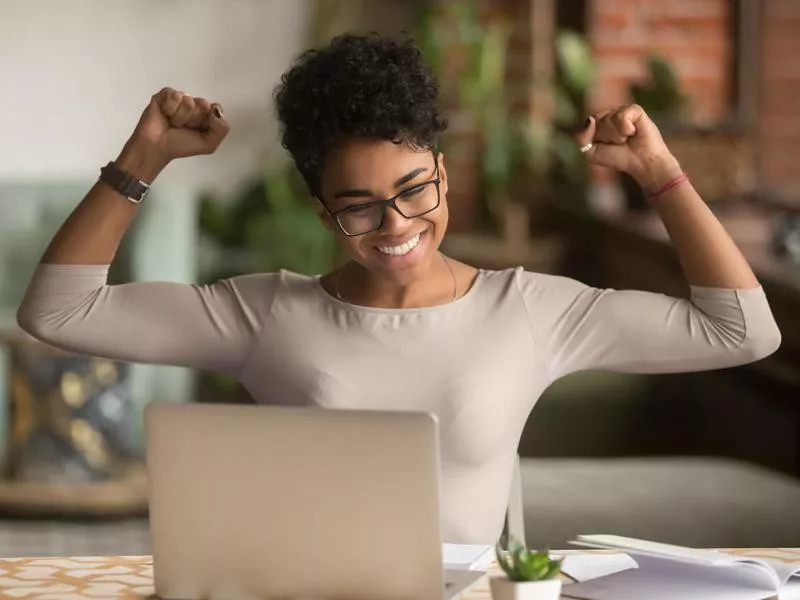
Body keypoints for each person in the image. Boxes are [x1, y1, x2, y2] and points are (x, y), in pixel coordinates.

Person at [17, 33, 781, 544]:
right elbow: (58, 310)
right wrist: (141, 158)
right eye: (358, 206)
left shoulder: (533, 310)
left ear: (443, 174)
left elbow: (742, 332)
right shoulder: (265, 314)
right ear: (323, 211)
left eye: (415, 189)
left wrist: (660, 174)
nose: (396, 224)